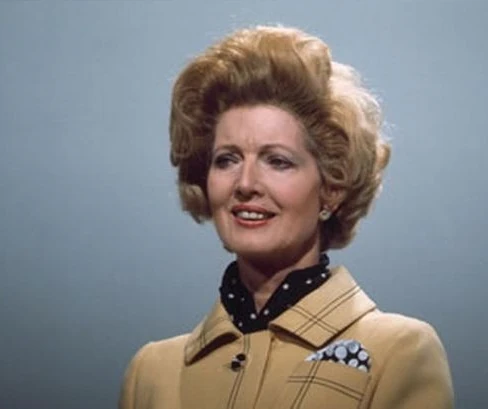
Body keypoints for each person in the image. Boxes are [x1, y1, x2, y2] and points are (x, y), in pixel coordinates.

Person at [119, 25, 454, 409]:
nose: (245, 184)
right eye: (226, 160)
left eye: (277, 161)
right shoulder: (151, 371)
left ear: (332, 188)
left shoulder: (397, 351)